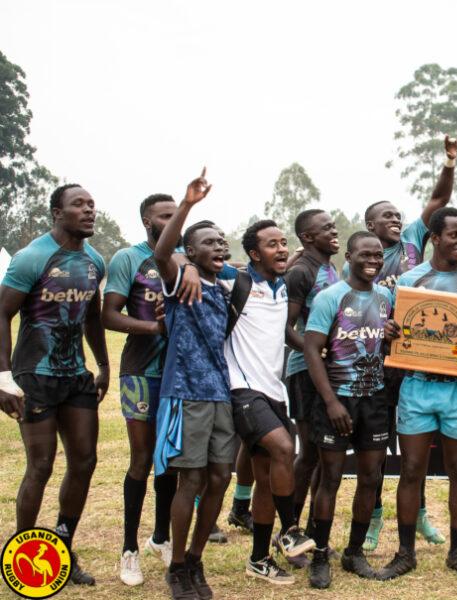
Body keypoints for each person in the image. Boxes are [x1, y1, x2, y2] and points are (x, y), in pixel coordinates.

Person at [0, 183, 110, 586]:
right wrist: (4, 379)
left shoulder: (95, 259)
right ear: (57, 213)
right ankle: (25, 554)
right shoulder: (33, 257)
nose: (88, 210)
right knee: (41, 466)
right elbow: (2, 314)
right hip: (35, 376)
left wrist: (102, 364)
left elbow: (93, 316)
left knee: (85, 462)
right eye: (78, 204)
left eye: (91, 204)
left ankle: (62, 547)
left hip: (76, 375)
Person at [378, 206, 457, 580]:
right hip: (417, 386)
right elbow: (393, 331)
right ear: (435, 237)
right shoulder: (409, 281)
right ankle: (405, 553)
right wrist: (390, 333)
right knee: (411, 470)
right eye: (455, 234)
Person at [359, 135, 457, 552]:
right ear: (370, 227)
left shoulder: (411, 244)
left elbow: (439, 201)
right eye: (387, 216)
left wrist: (450, 163)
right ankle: (376, 518)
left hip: (416, 360)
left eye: (399, 215)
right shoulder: (364, 255)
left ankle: (419, 516)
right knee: (378, 448)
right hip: (379, 362)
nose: (396, 219)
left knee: (413, 449)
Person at [103, 193, 203, 585]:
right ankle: (129, 550)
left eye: (177, 212)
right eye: (166, 214)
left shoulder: (186, 259)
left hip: (179, 374)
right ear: (148, 221)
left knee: (170, 461)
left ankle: (161, 537)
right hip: (141, 371)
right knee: (142, 459)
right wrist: (155, 328)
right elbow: (108, 314)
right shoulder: (130, 258)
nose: (174, 218)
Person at [153, 169, 236, 600]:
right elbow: (161, 252)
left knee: (220, 478)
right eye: (208, 241)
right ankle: (178, 566)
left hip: (221, 393)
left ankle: (198, 558)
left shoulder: (224, 287)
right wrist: (187, 205)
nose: (218, 246)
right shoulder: (179, 280)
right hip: (187, 393)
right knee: (190, 482)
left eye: (222, 240)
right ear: (190, 250)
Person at [303, 231, 397, 588]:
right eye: (365, 255)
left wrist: (391, 333)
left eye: (378, 255)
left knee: (371, 478)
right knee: (330, 479)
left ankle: (353, 552)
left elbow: (385, 336)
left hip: (373, 399)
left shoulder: (386, 296)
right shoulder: (331, 297)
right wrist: (330, 401)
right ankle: (320, 553)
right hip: (336, 399)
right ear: (350, 255)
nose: (373, 260)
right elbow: (312, 349)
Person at [223, 219, 313, 584]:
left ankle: (259, 558)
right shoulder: (237, 280)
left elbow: (283, 334)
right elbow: (182, 258)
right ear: (254, 253)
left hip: (274, 392)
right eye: (271, 244)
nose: (280, 249)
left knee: (265, 479)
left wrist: (317, 351)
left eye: (283, 242)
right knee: (282, 447)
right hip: (241, 389)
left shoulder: (280, 287)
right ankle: (290, 528)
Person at [284, 209, 340, 560]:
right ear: (307, 237)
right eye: (327, 229)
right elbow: (286, 326)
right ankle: (288, 531)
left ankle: (315, 535)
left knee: (324, 456)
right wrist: (315, 350)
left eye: (334, 226)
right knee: (307, 456)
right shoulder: (301, 271)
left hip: (329, 370)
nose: (334, 232)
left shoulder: (330, 267)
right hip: (304, 371)